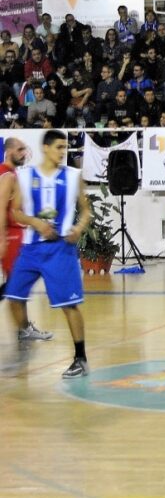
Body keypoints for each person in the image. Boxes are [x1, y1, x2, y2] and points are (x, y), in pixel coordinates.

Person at [6, 130, 91, 378]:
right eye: (58, 147)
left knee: (69, 305)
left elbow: (86, 211)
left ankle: (81, 358)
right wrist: (36, 223)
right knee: (13, 294)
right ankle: (25, 340)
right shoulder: (25, 176)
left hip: (60, 250)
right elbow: (16, 211)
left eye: (65, 147)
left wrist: (78, 228)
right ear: (45, 148)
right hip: (31, 249)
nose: (63, 151)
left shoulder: (73, 176)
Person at [0, 138, 52, 343]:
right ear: (9, 151)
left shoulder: (9, 174)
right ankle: (24, 329)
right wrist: (2, 239)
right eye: (20, 150)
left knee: (16, 285)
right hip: (11, 237)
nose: (24, 153)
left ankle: (24, 328)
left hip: (15, 235)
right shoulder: (8, 177)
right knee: (16, 284)